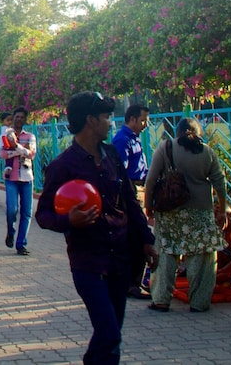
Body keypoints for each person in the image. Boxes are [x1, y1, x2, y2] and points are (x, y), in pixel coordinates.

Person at [36, 92, 157, 365]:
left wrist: (147, 240)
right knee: (108, 331)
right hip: (88, 262)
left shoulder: (112, 154)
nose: (110, 123)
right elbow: (42, 214)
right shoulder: (63, 166)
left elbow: (129, 200)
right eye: (105, 117)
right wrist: (69, 221)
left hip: (120, 258)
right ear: (91, 121)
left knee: (113, 336)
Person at [143, 117, 228, 313]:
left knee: (166, 253)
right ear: (197, 133)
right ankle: (199, 302)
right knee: (202, 257)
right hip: (201, 212)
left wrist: (148, 206)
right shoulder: (207, 152)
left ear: (178, 131)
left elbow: (151, 179)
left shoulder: (165, 147)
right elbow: (220, 183)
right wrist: (222, 210)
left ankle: (161, 300)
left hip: (170, 211)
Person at [112, 103, 152, 300]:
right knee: (137, 236)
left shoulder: (134, 138)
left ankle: (134, 281)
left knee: (137, 235)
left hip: (139, 188)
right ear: (132, 119)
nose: (145, 124)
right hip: (130, 191)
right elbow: (120, 170)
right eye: (143, 120)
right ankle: (132, 283)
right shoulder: (122, 140)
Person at [0, 107, 36, 255]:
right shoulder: (6, 134)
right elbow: (2, 153)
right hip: (11, 177)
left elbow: (31, 154)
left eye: (22, 117)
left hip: (27, 177)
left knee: (26, 213)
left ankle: (21, 244)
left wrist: (15, 148)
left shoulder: (30, 136)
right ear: (12, 117)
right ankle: (10, 230)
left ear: (25, 119)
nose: (19, 119)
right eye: (17, 116)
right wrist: (20, 150)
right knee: (12, 209)